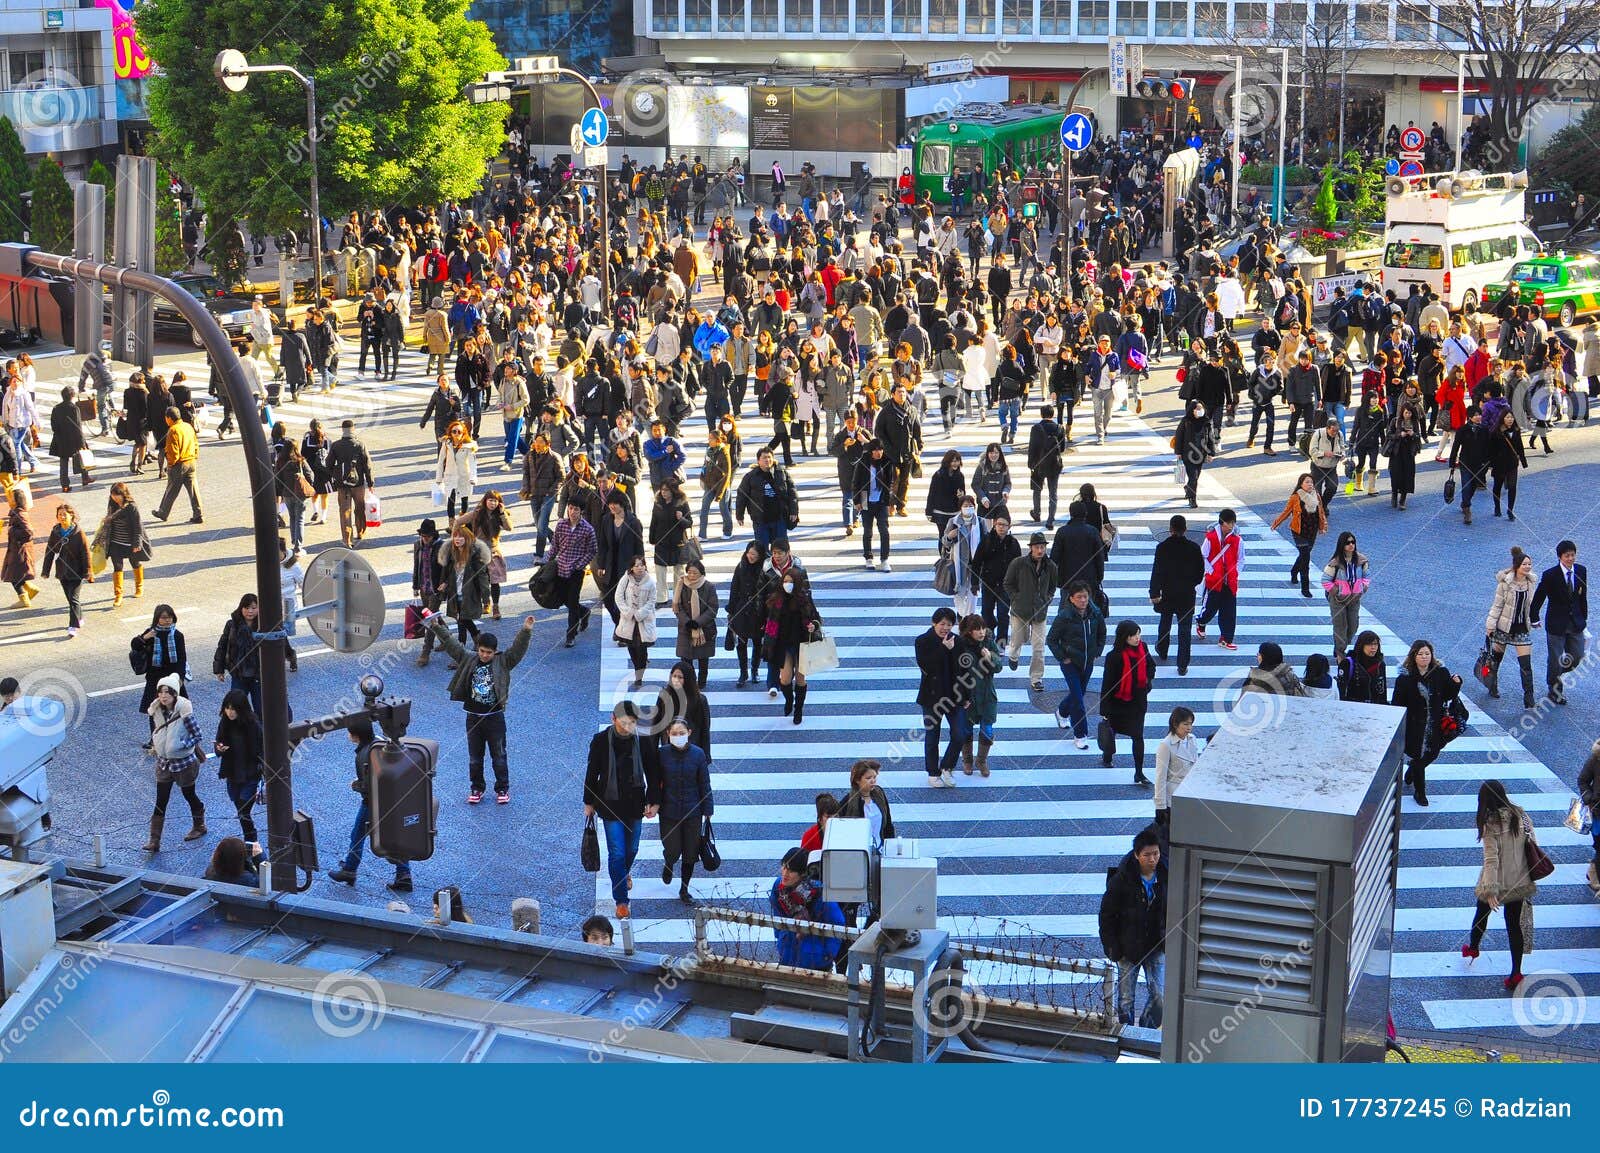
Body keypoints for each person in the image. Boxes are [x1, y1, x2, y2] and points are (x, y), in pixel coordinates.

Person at [584, 700, 664, 919]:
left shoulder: (643, 741)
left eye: (631, 723)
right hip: (609, 804)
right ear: (613, 719)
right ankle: (621, 900)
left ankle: (623, 873)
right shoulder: (601, 741)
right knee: (617, 853)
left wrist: (653, 800)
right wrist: (588, 802)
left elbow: (653, 773)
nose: (627, 727)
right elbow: (592, 772)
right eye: (623, 722)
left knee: (632, 849)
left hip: (635, 803)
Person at [1461, 780, 1538, 992]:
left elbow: (1491, 860)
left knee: (1481, 914)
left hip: (1495, 879)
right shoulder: (1520, 814)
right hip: (1520, 880)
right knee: (1513, 926)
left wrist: (1491, 889)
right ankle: (1516, 972)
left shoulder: (1490, 824)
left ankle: (1473, 948)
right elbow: (1533, 842)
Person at [326, 717, 414, 892]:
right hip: (393, 798)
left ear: (355, 735)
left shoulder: (362, 755)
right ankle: (404, 874)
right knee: (394, 837)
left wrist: (355, 785)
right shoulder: (379, 743)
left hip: (373, 802)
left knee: (358, 835)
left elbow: (368, 786)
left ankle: (350, 870)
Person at [1098, 826, 1167, 1027]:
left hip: (1156, 945)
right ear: (1137, 855)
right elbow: (1107, 915)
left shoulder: (1166, 875)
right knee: (1126, 998)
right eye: (1147, 855)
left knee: (1160, 995)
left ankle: (1146, 1029)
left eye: (1156, 853)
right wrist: (1113, 948)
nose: (1153, 859)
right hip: (1128, 948)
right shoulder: (1122, 880)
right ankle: (1127, 1035)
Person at [1392, 638, 1463, 807]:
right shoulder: (1405, 679)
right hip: (1414, 725)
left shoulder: (1440, 673)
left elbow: (1448, 695)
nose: (1424, 657)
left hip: (1435, 722)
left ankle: (1411, 771)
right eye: (1420, 654)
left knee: (1432, 753)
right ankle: (1420, 792)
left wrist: (1456, 684)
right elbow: (1397, 704)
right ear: (1413, 656)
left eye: (1427, 654)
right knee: (1417, 757)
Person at [142, 673, 208, 852]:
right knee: (160, 801)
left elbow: (197, 735)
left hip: (183, 763)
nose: (163, 696)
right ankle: (154, 841)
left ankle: (199, 825)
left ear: (175, 694)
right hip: (164, 762)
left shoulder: (184, 711)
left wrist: (181, 745)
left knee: (189, 795)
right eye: (161, 692)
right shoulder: (156, 710)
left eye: (167, 692)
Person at [761, 540, 821, 722]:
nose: (787, 584)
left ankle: (798, 710)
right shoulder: (776, 601)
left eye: (790, 581)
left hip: (802, 642)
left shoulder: (804, 600)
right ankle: (789, 699)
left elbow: (817, 619)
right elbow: (770, 621)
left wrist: (813, 625)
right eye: (785, 581)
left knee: (800, 679)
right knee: (785, 679)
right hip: (784, 644)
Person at [656, 717, 713, 904]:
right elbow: (655, 783)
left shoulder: (698, 754)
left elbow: (704, 783)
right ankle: (669, 862)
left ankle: (684, 888)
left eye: (681, 733)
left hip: (693, 811)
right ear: (668, 735)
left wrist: (708, 808)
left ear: (689, 733)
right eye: (674, 734)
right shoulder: (661, 754)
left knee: (690, 852)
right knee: (672, 848)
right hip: (668, 811)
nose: (678, 736)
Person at [1048, 580, 1105, 749]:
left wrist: (1097, 652)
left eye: (1085, 597)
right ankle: (1080, 734)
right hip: (1070, 663)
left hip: (1088, 662)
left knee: (1078, 693)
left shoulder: (1096, 614)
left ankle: (1062, 712)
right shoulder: (1064, 617)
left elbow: (1102, 634)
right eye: (1079, 597)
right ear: (1071, 598)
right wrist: (1062, 657)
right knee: (1079, 700)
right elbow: (1051, 640)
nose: (1083, 600)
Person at [770, 846, 846, 971]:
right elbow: (778, 915)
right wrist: (781, 939)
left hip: (814, 960)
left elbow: (837, 923)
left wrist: (826, 955)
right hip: (787, 954)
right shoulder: (779, 888)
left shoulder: (819, 895)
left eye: (791, 870)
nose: (785, 873)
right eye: (784, 866)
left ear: (802, 873)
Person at [1530, 541, 1587, 706]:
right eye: (1567, 556)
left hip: (1575, 623)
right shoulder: (1550, 575)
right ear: (1560, 557)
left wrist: (1584, 617)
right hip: (1556, 624)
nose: (1570, 558)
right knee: (1555, 658)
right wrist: (1534, 616)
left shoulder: (1581, 571)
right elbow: (1539, 597)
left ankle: (1553, 675)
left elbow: (1583, 596)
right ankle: (1555, 689)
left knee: (1577, 656)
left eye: (1572, 555)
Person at [1484, 546, 1540, 709]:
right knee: (1496, 659)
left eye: (1529, 564)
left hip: (1522, 628)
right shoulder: (1505, 583)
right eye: (1525, 564)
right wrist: (1490, 625)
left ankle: (1529, 698)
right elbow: (1497, 605)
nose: (1528, 567)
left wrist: (1534, 620)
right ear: (1517, 566)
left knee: (1526, 665)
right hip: (1504, 627)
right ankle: (1492, 684)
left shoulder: (1531, 582)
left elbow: (1532, 606)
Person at [1100, 620, 1155, 785]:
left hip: (1137, 702)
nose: (1137, 638)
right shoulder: (1114, 657)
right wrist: (1104, 709)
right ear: (1124, 637)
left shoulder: (1143, 648)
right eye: (1133, 635)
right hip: (1118, 703)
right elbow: (1107, 683)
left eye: (1138, 633)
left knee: (1138, 736)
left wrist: (1146, 681)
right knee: (1112, 732)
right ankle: (1107, 756)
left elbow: (1151, 666)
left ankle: (1139, 772)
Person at [1003, 531, 1058, 692]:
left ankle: (1036, 678)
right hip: (1020, 610)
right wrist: (1016, 598)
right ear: (1031, 548)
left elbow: (1053, 587)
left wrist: (1047, 599)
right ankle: (1013, 655)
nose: (1040, 550)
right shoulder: (1018, 563)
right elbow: (1008, 583)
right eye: (1037, 547)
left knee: (1038, 647)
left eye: (1042, 547)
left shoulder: (1051, 567)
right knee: (1018, 639)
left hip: (1040, 612)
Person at [1149, 514, 1204, 676]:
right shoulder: (1194, 548)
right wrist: (1190, 584)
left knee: (1165, 622)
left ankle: (1162, 649)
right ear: (1185, 529)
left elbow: (1157, 572)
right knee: (1185, 629)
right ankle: (1182, 664)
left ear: (1170, 529)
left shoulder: (1162, 548)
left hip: (1167, 593)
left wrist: (1154, 592)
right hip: (1187, 594)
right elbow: (1200, 573)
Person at [915, 607, 962, 788]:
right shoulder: (922, 641)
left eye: (949, 625)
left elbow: (962, 669)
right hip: (931, 696)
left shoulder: (956, 641)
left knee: (960, 733)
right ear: (934, 623)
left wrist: (965, 696)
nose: (945, 628)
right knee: (932, 735)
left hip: (953, 696)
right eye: (942, 624)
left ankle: (947, 767)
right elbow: (927, 665)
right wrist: (944, 649)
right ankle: (933, 772)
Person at [953, 613, 1002, 776]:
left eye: (983, 628)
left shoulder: (989, 643)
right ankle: (967, 760)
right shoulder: (960, 646)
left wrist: (990, 658)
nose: (981, 632)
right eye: (977, 629)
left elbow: (999, 667)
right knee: (966, 730)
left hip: (987, 694)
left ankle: (981, 761)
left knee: (987, 729)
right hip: (968, 696)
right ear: (968, 631)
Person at [212, 688, 264, 842]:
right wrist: (219, 748)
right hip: (232, 773)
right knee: (242, 811)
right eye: (227, 708)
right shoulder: (225, 723)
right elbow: (218, 743)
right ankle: (251, 843)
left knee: (243, 811)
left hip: (250, 774)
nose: (230, 712)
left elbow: (261, 749)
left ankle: (251, 842)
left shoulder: (253, 725)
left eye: (233, 708)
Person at [1269, 473, 1327, 599]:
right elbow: (1286, 511)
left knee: (1303, 554)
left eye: (1311, 482)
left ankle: (1294, 571)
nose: (1310, 484)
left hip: (1312, 531)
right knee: (1306, 557)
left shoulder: (1316, 495)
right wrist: (1276, 523)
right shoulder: (1295, 497)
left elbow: (1321, 512)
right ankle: (1305, 588)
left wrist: (1323, 527)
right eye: (1307, 482)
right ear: (1301, 484)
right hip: (1298, 531)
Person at [41, 502, 92, 638]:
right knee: (70, 599)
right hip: (62, 571)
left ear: (71, 516)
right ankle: (79, 618)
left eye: (65, 514)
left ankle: (73, 626)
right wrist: (46, 570)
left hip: (77, 571)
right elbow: (49, 551)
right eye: (59, 515)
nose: (62, 517)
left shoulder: (78, 533)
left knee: (73, 598)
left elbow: (85, 553)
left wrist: (87, 571)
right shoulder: (55, 532)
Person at [551, 501, 598, 647]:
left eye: (575, 509)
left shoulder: (587, 529)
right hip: (561, 569)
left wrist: (580, 565)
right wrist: (547, 562)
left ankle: (570, 635)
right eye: (570, 508)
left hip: (576, 572)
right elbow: (554, 546)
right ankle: (583, 611)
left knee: (572, 604)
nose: (572, 512)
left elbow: (592, 550)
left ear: (581, 511)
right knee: (564, 599)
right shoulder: (561, 525)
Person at [735, 447, 799, 551]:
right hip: (760, 519)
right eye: (764, 458)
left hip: (779, 518)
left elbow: (792, 492)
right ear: (758, 460)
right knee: (762, 550)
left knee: (781, 549)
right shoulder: (750, 476)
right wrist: (739, 515)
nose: (767, 460)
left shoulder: (781, 472)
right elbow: (742, 496)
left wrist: (794, 510)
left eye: (769, 457)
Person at [212, 593, 265, 718]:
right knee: (234, 708)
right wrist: (219, 669)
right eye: (246, 608)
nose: (250, 611)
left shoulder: (264, 624)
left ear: (259, 608)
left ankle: (261, 735)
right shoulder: (232, 625)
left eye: (253, 607)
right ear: (241, 608)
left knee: (261, 709)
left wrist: (289, 656)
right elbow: (223, 646)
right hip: (238, 674)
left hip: (258, 675)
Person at [149, 407, 203, 525]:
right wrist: (195, 456)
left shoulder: (173, 430)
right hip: (191, 461)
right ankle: (198, 513)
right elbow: (195, 443)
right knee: (193, 489)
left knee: (171, 489)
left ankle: (163, 512)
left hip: (179, 464)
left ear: (169, 418)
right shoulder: (188, 426)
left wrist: (170, 464)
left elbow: (174, 451)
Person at [327, 419, 376, 548]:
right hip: (358, 484)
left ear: (342, 430)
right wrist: (370, 482)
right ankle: (360, 531)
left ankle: (347, 539)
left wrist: (336, 476)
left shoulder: (336, 445)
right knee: (360, 508)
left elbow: (328, 464)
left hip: (343, 486)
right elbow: (367, 465)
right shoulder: (360, 444)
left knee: (344, 511)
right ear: (353, 429)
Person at [1322, 531, 1370, 661]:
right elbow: (1325, 580)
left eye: (1353, 542)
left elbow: (1366, 576)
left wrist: (1363, 587)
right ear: (1342, 545)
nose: (1351, 545)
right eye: (1348, 542)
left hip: (1354, 598)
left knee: (1353, 626)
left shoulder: (1362, 560)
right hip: (1338, 599)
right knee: (1340, 626)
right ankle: (1340, 653)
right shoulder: (1335, 562)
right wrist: (1337, 591)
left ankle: (1339, 646)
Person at [853, 438, 899, 572]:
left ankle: (885, 559)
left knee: (884, 531)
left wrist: (891, 502)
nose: (879, 453)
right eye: (876, 450)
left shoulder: (887, 462)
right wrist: (857, 501)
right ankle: (868, 557)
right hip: (866, 499)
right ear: (871, 451)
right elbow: (856, 483)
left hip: (881, 501)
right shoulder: (863, 463)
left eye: (881, 450)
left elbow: (891, 483)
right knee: (868, 531)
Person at [672, 560, 719, 688]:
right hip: (685, 629)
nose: (691, 575)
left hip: (705, 629)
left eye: (695, 573)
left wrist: (697, 622)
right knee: (686, 659)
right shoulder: (681, 585)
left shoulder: (709, 587)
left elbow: (713, 608)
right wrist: (687, 622)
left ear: (701, 573)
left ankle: (702, 682)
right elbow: (677, 606)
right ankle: (690, 683)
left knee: (703, 659)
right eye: (689, 572)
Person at [727, 542, 768, 689]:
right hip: (742, 609)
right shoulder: (741, 566)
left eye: (755, 555)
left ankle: (755, 670)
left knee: (758, 642)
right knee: (742, 642)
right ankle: (743, 672)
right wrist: (731, 610)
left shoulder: (765, 568)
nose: (751, 557)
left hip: (759, 610)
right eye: (749, 553)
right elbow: (734, 588)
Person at [614, 555, 657, 688]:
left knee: (642, 650)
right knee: (632, 648)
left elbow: (652, 601)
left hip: (644, 620)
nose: (639, 567)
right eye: (636, 565)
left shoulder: (650, 581)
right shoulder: (625, 579)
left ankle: (639, 675)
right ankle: (637, 667)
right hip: (628, 621)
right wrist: (628, 612)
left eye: (642, 565)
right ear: (631, 568)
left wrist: (640, 613)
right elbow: (618, 597)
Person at [1153, 707, 1199, 827]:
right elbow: (1160, 777)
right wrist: (1160, 806)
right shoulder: (1166, 745)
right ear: (1175, 724)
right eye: (1185, 724)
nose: (1189, 728)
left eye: (1191, 724)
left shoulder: (1192, 739)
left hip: (1191, 794)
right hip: (1173, 797)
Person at [48, 387, 91, 493]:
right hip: (74, 439)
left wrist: (58, 434)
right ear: (72, 396)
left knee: (63, 462)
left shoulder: (56, 408)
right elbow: (78, 426)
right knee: (81, 458)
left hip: (61, 439)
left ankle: (65, 485)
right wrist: (82, 441)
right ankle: (85, 478)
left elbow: (53, 425)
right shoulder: (74, 408)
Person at [1338, 630, 1388, 704]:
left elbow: (1382, 690)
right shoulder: (1347, 663)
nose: (1373, 648)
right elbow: (1341, 690)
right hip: (1354, 707)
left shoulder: (1380, 664)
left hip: (1375, 709)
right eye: (1369, 644)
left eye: (1376, 644)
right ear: (1361, 645)